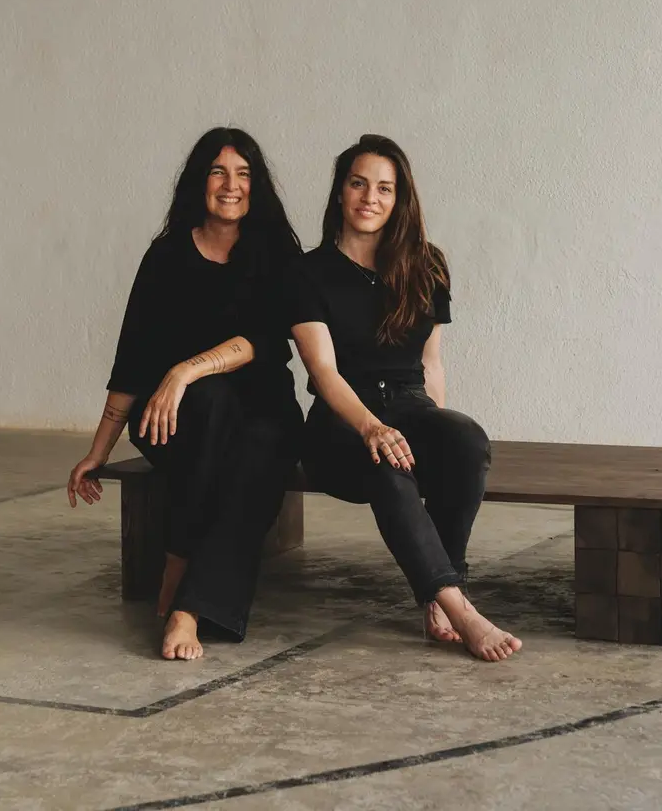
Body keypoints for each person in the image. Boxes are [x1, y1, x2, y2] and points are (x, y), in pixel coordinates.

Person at [67, 128, 303, 661]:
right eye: (218, 172)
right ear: (199, 181)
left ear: (257, 185)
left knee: (250, 456)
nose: (231, 185)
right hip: (175, 421)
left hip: (263, 413)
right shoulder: (167, 255)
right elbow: (131, 359)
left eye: (243, 174)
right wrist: (98, 451)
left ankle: (186, 597)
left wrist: (184, 371)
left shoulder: (274, 253)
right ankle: (185, 578)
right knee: (212, 406)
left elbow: (265, 339)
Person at [286, 135, 522, 661]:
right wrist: (371, 427)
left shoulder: (427, 264)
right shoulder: (307, 272)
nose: (370, 197)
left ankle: (443, 590)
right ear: (340, 192)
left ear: (399, 199)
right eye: (358, 183)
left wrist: (434, 433)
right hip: (340, 422)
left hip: (410, 406)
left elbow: (431, 364)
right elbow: (323, 371)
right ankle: (460, 608)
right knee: (385, 462)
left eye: (384, 188)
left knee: (465, 441)